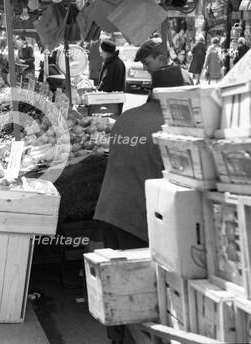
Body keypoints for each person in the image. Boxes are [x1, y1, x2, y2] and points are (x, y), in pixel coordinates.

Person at [95, 38, 186, 344]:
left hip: (109, 210)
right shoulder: (172, 126)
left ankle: (117, 338)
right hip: (138, 217)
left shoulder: (125, 119)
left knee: (116, 286)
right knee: (140, 293)